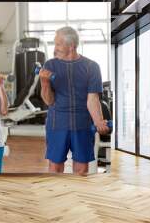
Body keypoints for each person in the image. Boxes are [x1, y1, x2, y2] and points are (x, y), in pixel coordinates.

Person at [39, 26, 109, 176]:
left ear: (71, 46)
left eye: (58, 44)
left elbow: (92, 98)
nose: (55, 48)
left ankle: (77, 198)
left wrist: (98, 121)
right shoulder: (50, 65)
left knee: (81, 169)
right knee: (55, 168)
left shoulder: (92, 67)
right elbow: (49, 101)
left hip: (82, 124)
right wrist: (44, 83)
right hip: (57, 124)